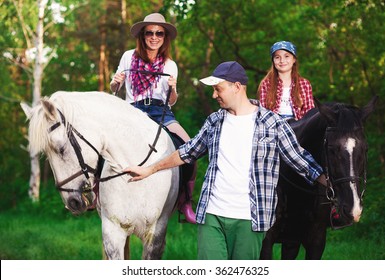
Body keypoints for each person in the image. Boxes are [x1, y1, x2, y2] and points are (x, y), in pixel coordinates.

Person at [123, 61, 327, 260]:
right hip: (212, 216)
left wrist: (331, 186)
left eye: (218, 89)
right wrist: (149, 170)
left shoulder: (273, 123)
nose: (214, 95)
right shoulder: (215, 121)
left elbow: (300, 159)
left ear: (237, 87)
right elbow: (187, 152)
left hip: (251, 219)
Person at [109, 13, 196, 224]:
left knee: (189, 147)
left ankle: (185, 202)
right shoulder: (128, 57)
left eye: (159, 33)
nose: (154, 37)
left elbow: (172, 100)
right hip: (132, 110)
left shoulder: (169, 65)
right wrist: (115, 81)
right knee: (104, 141)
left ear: (164, 37)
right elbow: (115, 89)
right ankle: (94, 192)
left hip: (161, 111)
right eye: (150, 32)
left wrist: (173, 89)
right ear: (143, 35)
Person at [257, 41, 315, 120]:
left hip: (299, 126)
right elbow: (263, 113)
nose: (282, 60)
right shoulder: (266, 84)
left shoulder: (304, 84)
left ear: (294, 59)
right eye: (277, 57)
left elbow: (310, 113)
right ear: (273, 61)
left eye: (286, 56)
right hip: (274, 126)